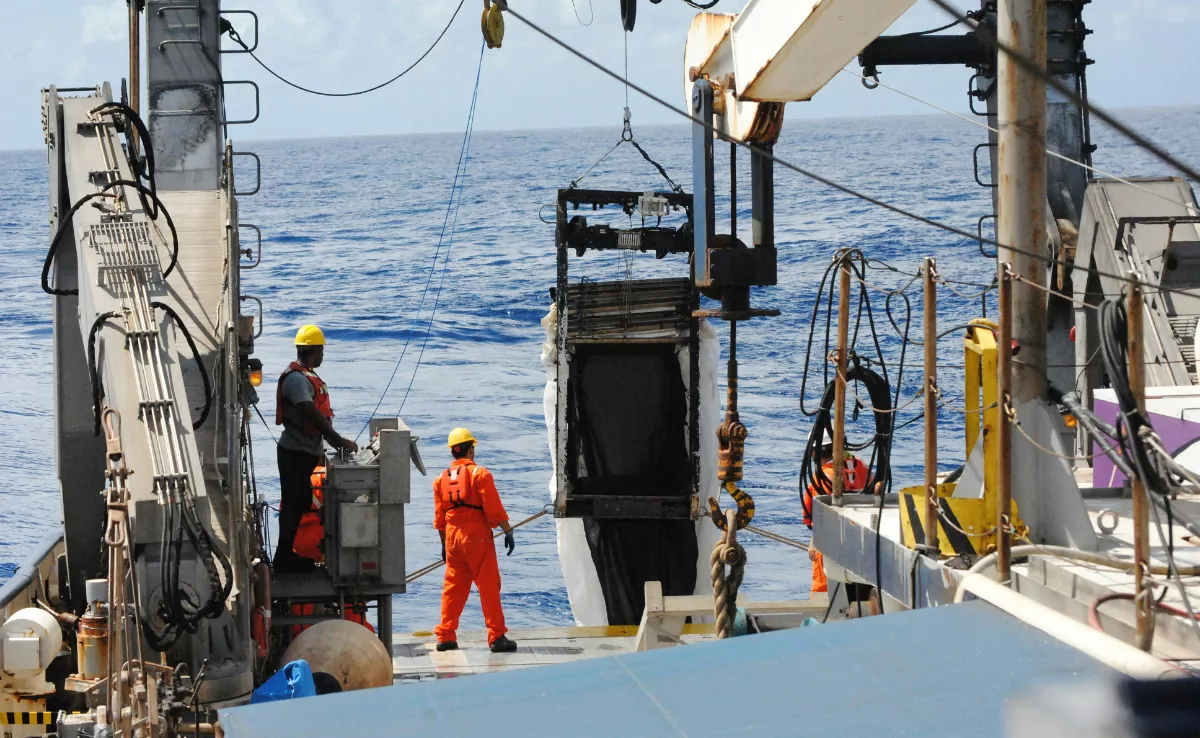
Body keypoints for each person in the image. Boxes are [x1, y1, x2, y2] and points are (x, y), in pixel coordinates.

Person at [274, 325, 358, 573]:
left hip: (307, 451)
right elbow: (312, 414)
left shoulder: (307, 377)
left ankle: (286, 555)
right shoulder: (296, 381)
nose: (323, 356)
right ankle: (283, 557)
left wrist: (332, 444)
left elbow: (318, 422)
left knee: (299, 501)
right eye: (321, 350)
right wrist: (339, 440)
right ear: (313, 350)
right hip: (294, 452)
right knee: (293, 503)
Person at [433, 428, 518, 653]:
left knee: (453, 588)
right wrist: (507, 530)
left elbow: (439, 520)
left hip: (452, 539)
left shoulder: (439, 480)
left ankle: (446, 636)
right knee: (488, 585)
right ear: (470, 449)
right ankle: (497, 636)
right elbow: (494, 510)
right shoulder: (480, 475)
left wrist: (444, 545)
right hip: (476, 538)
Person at [803, 436, 870, 595]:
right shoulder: (859, 466)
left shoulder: (822, 477)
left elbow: (813, 517)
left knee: (823, 591)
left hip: (831, 544)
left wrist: (813, 542)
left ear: (813, 453)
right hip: (862, 542)